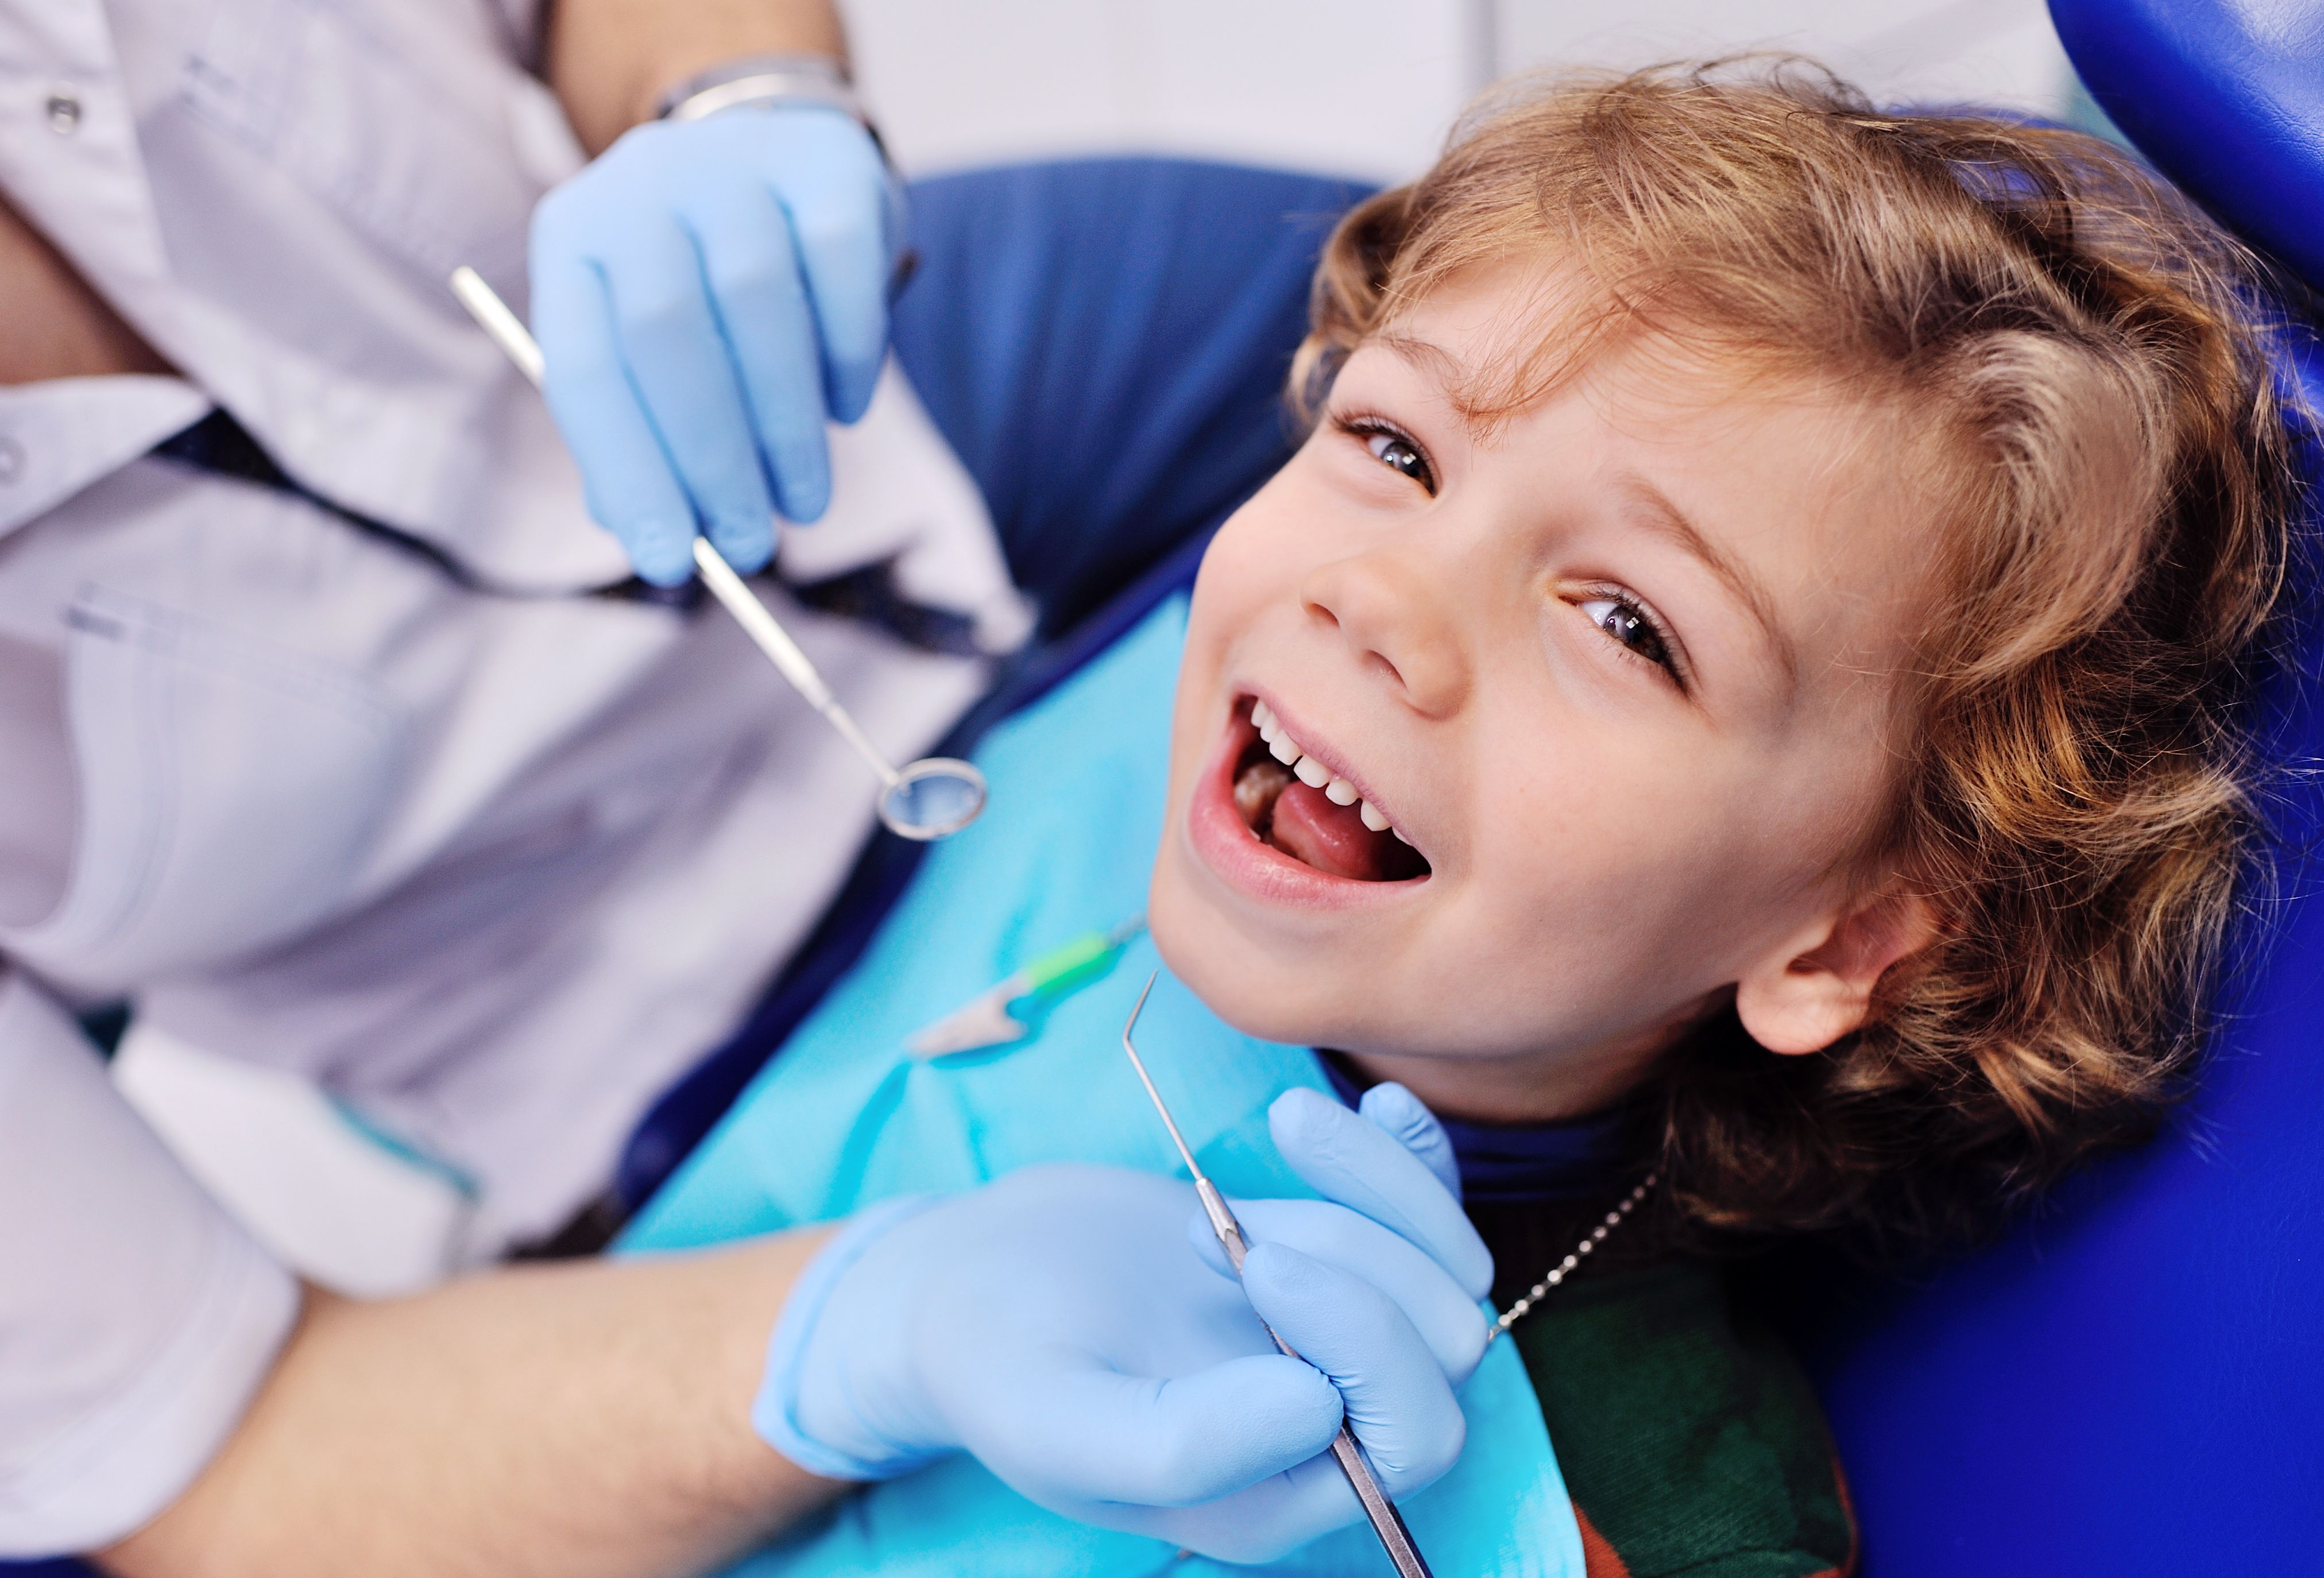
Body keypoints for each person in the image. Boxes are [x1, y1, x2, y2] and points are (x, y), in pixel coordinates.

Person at [611, 62, 2320, 1577]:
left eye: (1627, 623)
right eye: (1394, 443)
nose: (1381, 601)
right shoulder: (1124, 711)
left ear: (1839, 938)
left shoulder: (1659, 1523)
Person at [2, 1, 1434, 1571]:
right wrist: (871, 1328)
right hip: (639, 1005)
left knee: (1531, 374)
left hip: (894, 417)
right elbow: (216, 1465)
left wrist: (736, 94)